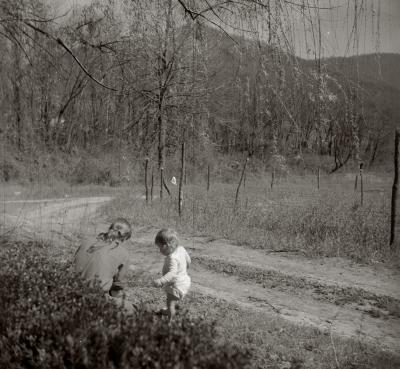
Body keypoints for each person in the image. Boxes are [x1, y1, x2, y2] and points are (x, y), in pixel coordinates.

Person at [74, 218, 132, 298]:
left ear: (109, 229)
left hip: (69, 289)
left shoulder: (87, 241)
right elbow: (117, 288)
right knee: (129, 308)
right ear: (124, 238)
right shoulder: (123, 253)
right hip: (94, 298)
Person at [153, 228, 191, 322]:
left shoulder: (172, 258)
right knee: (173, 300)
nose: (159, 250)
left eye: (160, 247)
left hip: (176, 285)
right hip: (184, 281)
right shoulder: (181, 249)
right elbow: (188, 261)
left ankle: (170, 321)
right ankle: (171, 310)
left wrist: (161, 281)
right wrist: (185, 268)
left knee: (170, 303)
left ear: (166, 245)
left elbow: (172, 273)